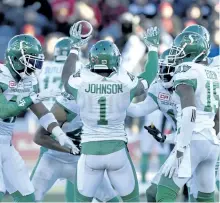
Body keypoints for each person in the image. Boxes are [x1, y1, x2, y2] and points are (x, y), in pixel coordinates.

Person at [61, 22, 160, 202]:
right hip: (117, 151)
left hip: (90, 151)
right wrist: (153, 48)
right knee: (132, 200)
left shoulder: (82, 78)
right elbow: (149, 75)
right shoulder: (123, 79)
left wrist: (74, 48)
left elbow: (66, 79)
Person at [31, 37, 119, 202]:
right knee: (28, 198)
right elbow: (40, 136)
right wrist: (72, 149)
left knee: (112, 199)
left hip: (84, 162)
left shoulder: (114, 96)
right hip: (54, 154)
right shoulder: (73, 99)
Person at [0, 34, 77, 202]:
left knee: (28, 197)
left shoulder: (28, 80)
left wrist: (59, 134)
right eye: (30, 60)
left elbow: (40, 111)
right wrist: (34, 97)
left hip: (6, 145)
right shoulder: (1, 75)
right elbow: (3, 110)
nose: (34, 66)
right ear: (15, 58)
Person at [156, 31, 219, 202]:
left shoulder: (187, 70)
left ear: (193, 53)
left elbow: (190, 111)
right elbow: (218, 117)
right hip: (211, 142)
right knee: (205, 198)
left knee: (163, 193)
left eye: (179, 52)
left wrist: (180, 149)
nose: (176, 56)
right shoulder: (212, 72)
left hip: (193, 140)